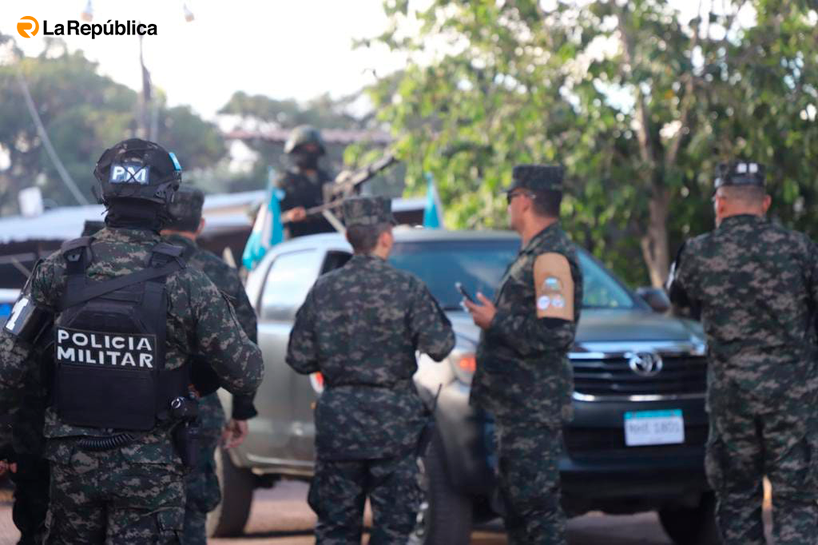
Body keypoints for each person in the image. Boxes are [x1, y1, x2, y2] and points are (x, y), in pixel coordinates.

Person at [0, 138, 264, 544]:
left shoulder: (58, 270)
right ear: (168, 197)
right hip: (151, 467)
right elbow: (247, 372)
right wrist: (193, 378)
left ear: (103, 192)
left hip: (72, 464)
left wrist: (13, 440)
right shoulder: (187, 281)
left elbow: (8, 365)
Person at [286, 196, 455, 544]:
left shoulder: (324, 289)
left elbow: (299, 357)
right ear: (387, 237)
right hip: (393, 427)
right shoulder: (407, 288)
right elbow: (441, 346)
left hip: (339, 425)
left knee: (335, 530)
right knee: (394, 531)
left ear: (349, 236)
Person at [667, 160, 818, 545]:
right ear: (765, 203)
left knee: (736, 501)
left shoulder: (699, 253)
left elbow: (678, 298)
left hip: (732, 401)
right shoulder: (801, 250)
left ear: (719, 203)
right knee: (799, 501)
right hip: (794, 400)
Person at [463, 165, 582, 545]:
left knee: (536, 511)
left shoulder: (549, 257)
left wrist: (495, 321)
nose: (509, 205)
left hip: (533, 408)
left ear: (526, 200)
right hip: (517, 407)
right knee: (517, 509)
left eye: (510, 197)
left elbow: (555, 332)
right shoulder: (535, 253)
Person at [161, 186, 259, 544]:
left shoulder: (139, 264)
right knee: (193, 508)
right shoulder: (220, 273)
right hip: (199, 407)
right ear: (200, 225)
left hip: (138, 405)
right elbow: (246, 346)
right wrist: (242, 411)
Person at [277, 125, 336, 238]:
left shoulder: (327, 179)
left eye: (313, 148)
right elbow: (273, 217)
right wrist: (289, 216)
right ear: (296, 151)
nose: (310, 152)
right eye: (306, 148)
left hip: (330, 240)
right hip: (299, 245)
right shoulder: (284, 181)